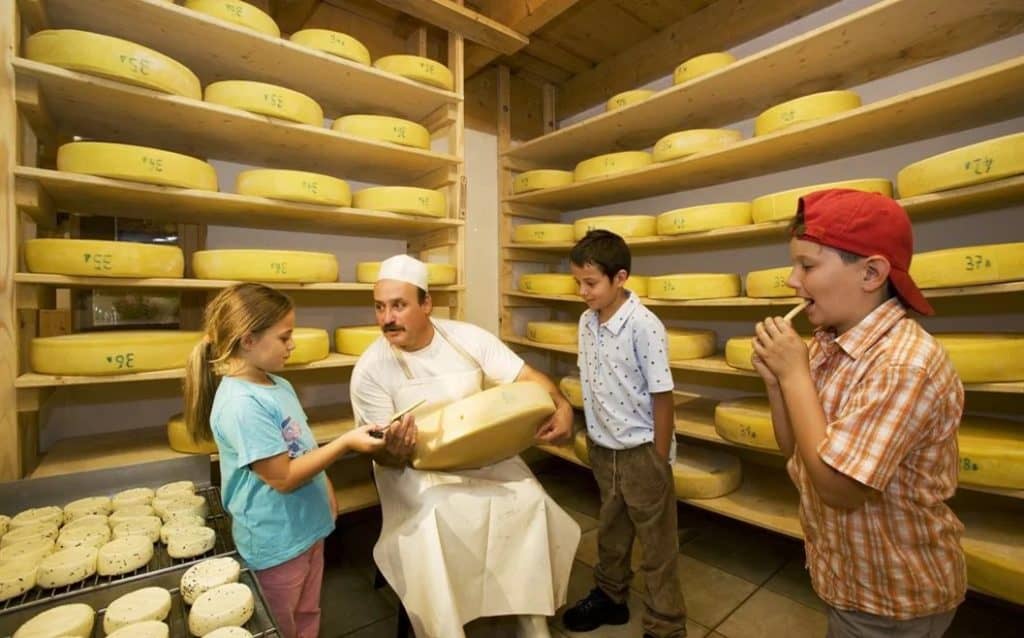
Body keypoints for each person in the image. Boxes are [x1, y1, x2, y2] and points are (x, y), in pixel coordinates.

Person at [751, 189, 965, 637]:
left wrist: (794, 378)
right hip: (850, 578)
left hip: (892, 598)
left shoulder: (904, 365)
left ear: (871, 273)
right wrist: (777, 383)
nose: (792, 280)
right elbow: (794, 447)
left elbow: (841, 490)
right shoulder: (829, 341)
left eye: (807, 266)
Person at [349, 254, 581, 638]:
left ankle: (530, 617)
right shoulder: (371, 370)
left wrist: (562, 405)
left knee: (529, 497)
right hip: (412, 469)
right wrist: (396, 448)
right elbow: (383, 458)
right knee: (440, 512)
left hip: (482, 453)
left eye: (399, 305)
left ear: (427, 304)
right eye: (380, 307)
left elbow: (526, 375)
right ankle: (447, 625)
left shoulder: (468, 338)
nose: (387, 318)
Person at [184, 283, 385, 638]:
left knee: (307, 611)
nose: (292, 345)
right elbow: (282, 477)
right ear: (248, 340)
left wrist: (326, 490)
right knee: (281, 624)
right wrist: (345, 444)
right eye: (284, 337)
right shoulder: (241, 405)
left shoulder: (277, 385)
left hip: (307, 527)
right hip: (276, 541)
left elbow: (302, 447)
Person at [562, 230, 687, 638]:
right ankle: (610, 598)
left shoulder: (644, 326)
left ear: (620, 278)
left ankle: (666, 625)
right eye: (577, 282)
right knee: (612, 532)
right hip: (605, 449)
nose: (582, 291)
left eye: (591, 283)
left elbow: (662, 394)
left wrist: (659, 454)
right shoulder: (586, 320)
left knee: (657, 546)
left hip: (641, 451)